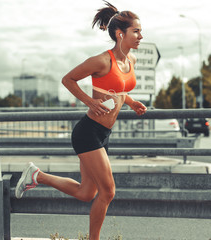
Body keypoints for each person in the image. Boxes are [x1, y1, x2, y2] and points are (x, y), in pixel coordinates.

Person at [15, 1, 147, 239]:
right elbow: (68, 79)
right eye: (135, 31)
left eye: (140, 31)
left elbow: (118, 89)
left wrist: (131, 102)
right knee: (108, 192)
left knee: (87, 192)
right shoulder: (102, 61)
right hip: (88, 132)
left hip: (103, 134)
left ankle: (37, 175)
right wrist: (89, 101)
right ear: (120, 34)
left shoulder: (131, 61)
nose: (140, 35)